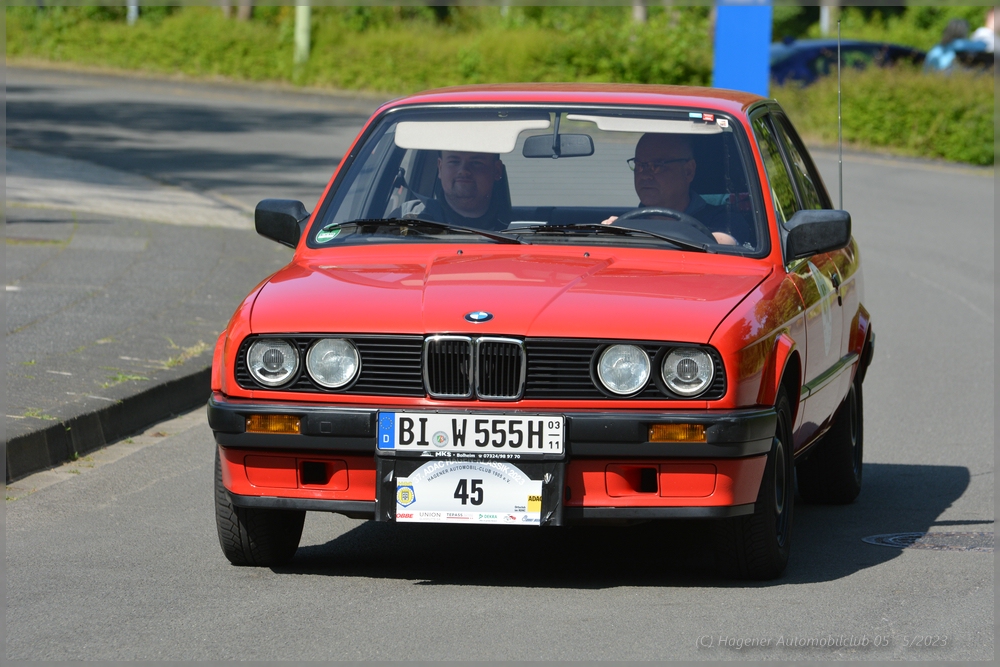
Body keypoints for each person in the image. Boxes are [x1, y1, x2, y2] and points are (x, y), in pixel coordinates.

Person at [602, 133, 751, 246]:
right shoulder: (628, 222)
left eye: (657, 165)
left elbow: (719, 244)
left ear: (688, 171)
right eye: (640, 165)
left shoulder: (725, 219)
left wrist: (630, 233)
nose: (645, 175)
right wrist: (614, 232)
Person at [393, 151, 510, 231]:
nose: (463, 170)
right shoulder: (406, 220)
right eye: (454, 161)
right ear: (440, 167)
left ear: (497, 170)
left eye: (476, 162)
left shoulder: (516, 231)